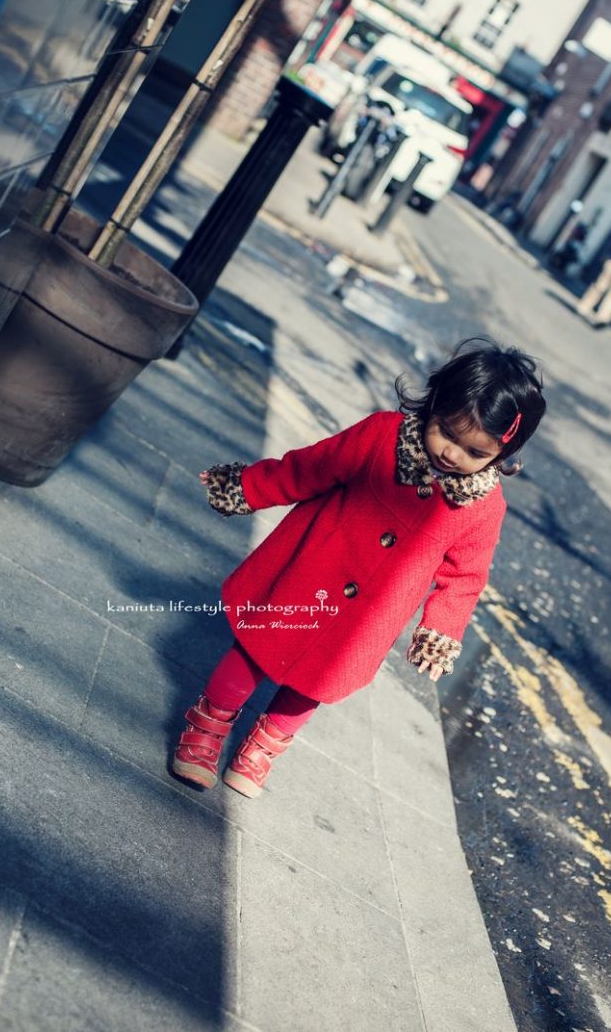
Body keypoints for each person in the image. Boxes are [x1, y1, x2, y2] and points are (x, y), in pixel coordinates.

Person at [173, 338, 547, 799]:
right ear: (434, 405)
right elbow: (309, 468)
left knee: (316, 682)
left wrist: (440, 631)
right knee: (254, 651)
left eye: (475, 452)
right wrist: (246, 487)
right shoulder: (382, 436)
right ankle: (208, 725)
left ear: (500, 457)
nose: (453, 454)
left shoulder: (482, 508)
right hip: (307, 576)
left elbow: (466, 576)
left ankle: (264, 746)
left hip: (365, 618)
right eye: (447, 433)